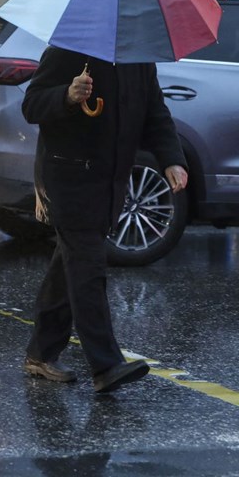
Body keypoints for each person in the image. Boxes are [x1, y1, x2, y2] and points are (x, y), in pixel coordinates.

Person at [21, 46, 188, 393]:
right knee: (88, 267)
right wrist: (67, 96)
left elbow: (155, 112)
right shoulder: (69, 49)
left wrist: (172, 159)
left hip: (109, 182)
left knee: (68, 267)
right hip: (67, 178)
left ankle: (40, 353)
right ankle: (106, 364)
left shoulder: (139, 57)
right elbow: (32, 105)